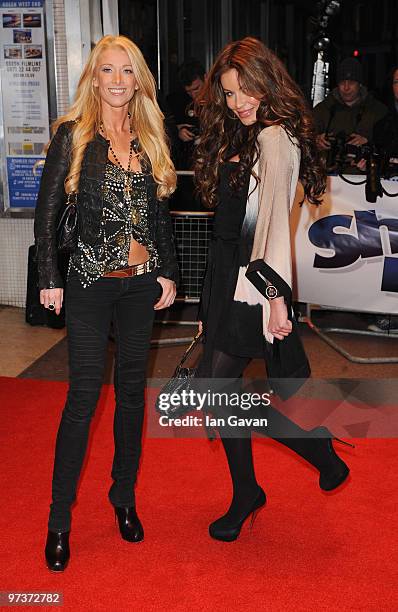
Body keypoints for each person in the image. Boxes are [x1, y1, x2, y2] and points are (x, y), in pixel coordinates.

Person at [194, 37, 353, 543]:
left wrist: (274, 297)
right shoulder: (246, 134)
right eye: (229, 93)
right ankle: (305, 459)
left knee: (214, 392)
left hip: (251, 282)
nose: (238, 102)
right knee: (216, 394)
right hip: (226, 277)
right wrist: (209, 298)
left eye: (246, 91)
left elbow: (272, 230)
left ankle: (285, 470)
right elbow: (229, 225)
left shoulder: (275, 137)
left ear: (267, 83)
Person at [34, 35, 179, 571]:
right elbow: (46, 212)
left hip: (140, 285)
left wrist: (167, 271)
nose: (117, 80)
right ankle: (58, 519)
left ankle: (123, 499)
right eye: (107, 71)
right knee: (83, 398)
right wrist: (50, 276)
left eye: (127, 72)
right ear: (93, 78)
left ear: (138, 80)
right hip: (89, 288)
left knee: (132, 397)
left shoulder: (148, 136)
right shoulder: (73, 136)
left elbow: (159, 213)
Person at [313, 57, 387, 171]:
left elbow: (388, 147)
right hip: (328, 177)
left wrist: (369, 144)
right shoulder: (322, 109)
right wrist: (316, 141)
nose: (346, 87)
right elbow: (303, 141)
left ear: (360, 84)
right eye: (342, 82)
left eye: (351, 82)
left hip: (363, 178)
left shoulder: (377, 111)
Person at [167, 58, 205, 168]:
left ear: (206, 78)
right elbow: (169, 128)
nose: (193, 95)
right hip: (188, 163)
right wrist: (179, 131)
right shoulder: (178, 101)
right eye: (189, 91)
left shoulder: (219, 99)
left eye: (197, 89)